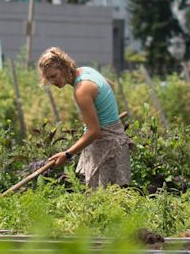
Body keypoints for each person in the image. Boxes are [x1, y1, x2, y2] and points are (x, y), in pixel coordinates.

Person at [37, 47, 131, 189]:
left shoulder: (82, 90)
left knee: (104, 203)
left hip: (107, 148)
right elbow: (110, 85)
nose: (52, 81)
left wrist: (67, 154)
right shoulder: (87, 71)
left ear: (63, 67)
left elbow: (94, 131)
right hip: (115, 140)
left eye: (53, 76)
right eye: (48, 78)